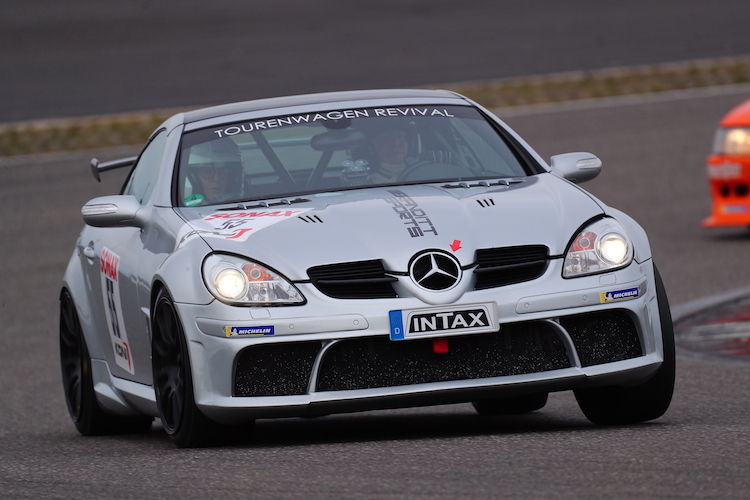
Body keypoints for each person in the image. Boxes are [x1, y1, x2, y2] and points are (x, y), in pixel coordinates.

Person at [183, 138, 243, 205]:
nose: (216, 179)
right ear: (195, 177)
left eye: (223, 172)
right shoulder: (182, 210)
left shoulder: (243, 204)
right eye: (207, 171)